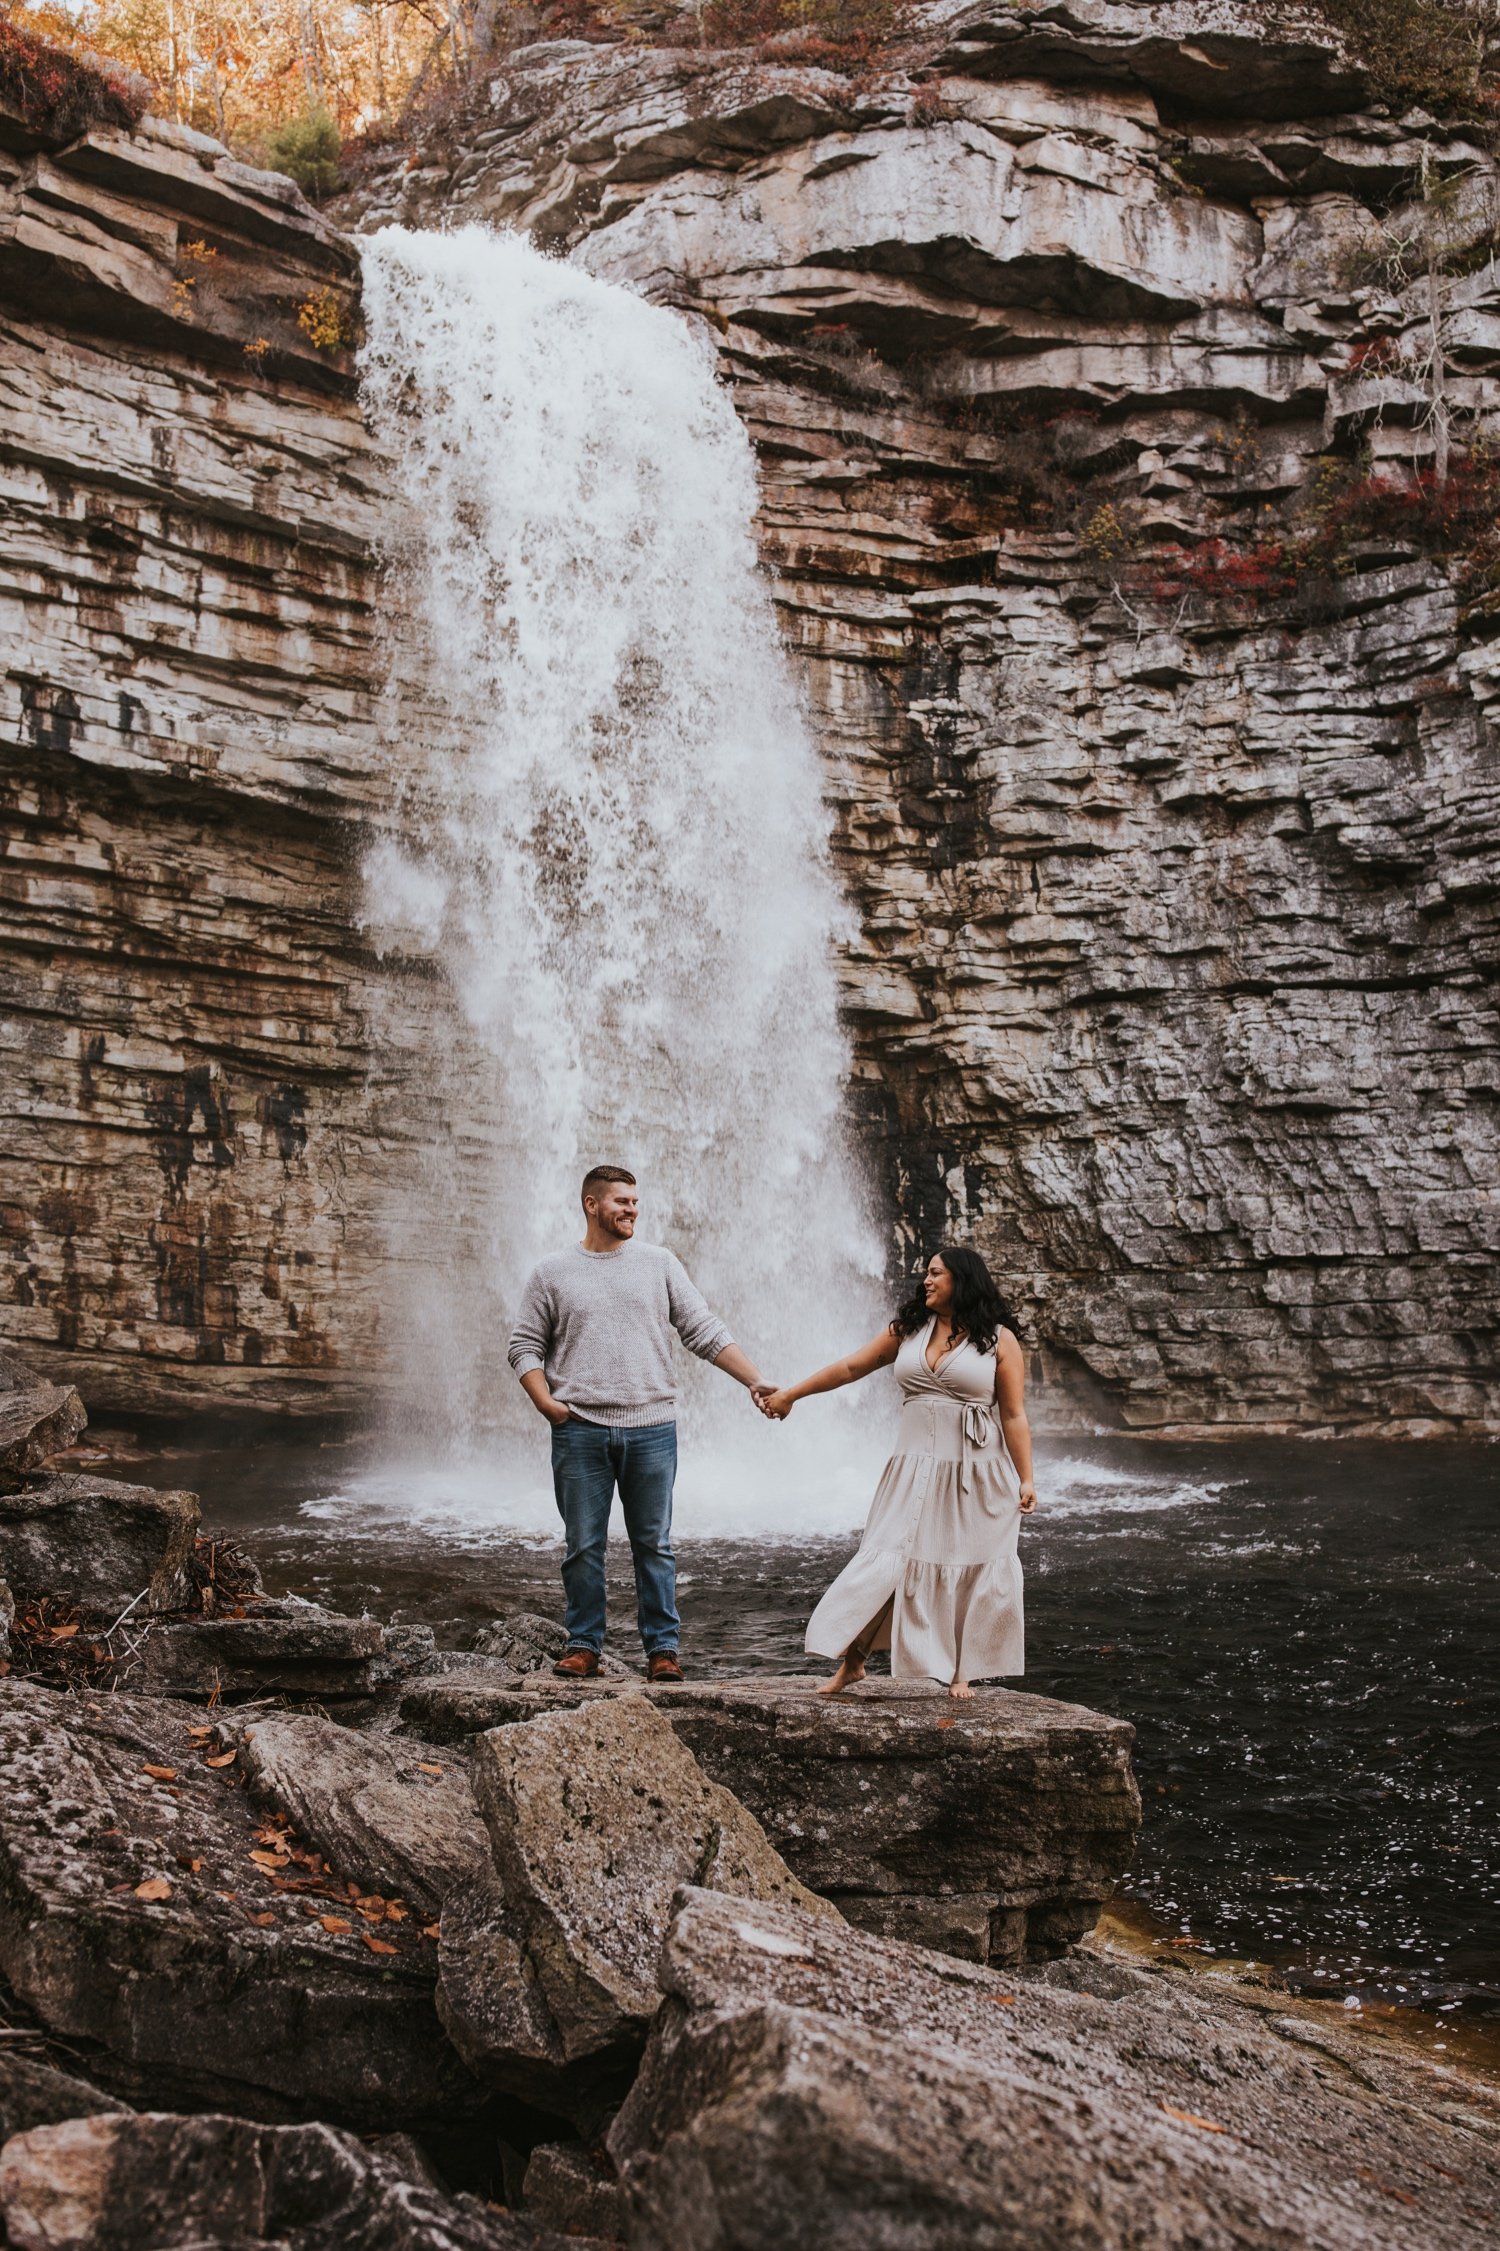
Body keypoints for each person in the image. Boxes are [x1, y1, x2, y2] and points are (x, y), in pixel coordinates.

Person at [508, 1164, 770, 1683]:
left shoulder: (659, 1263)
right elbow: (523, 1345)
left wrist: (755, 1381)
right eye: (622, 1201)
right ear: (591, 1204)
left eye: (635, 1201)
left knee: (655, 1544)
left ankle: (663, 1651)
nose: (633, 1209)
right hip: (579, 1428)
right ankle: (584, 1645)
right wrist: (548, 1405)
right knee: (583, 1543)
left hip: (652, 1427)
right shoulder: (551, 1271)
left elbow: (703, 1330)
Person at [758, 1246, 1037, 1700]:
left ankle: (963, 1671)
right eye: (926, 1273)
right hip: (912, 1470)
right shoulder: (908, 1330)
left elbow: (1013, 1416)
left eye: (936, 1273)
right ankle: (854, 1663)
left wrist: (1025, 1478)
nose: (926, 1281)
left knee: (968, 1564)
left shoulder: (999, 1340)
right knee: (888, 1558)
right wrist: (791, 1394)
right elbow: (850, 1367)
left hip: (976, 1475)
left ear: (962, 1280)